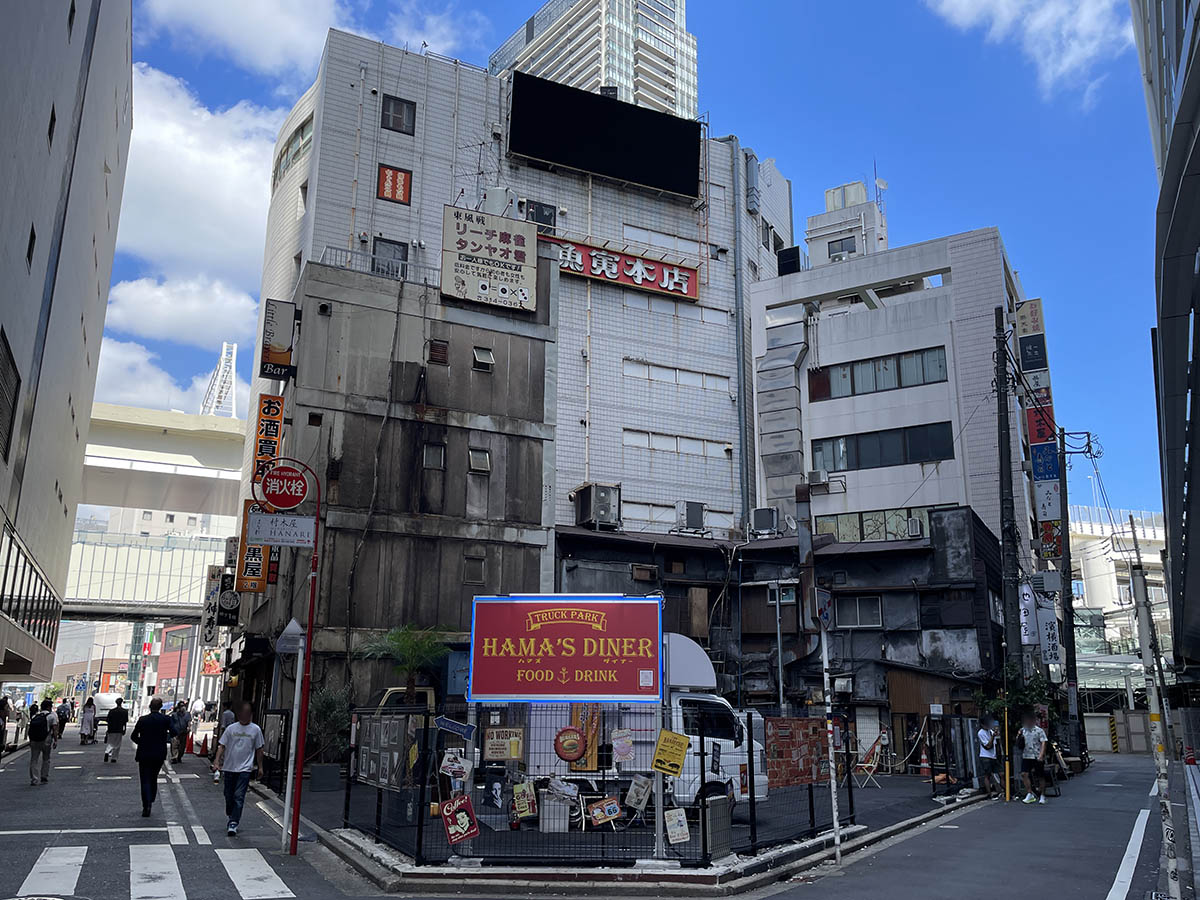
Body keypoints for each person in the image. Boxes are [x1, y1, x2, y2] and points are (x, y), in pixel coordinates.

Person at [211, 702, 264, 836]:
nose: (243, 716)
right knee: (228, 795)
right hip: (229, 768)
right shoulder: (231, 729)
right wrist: (217, 761)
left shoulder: (255, 730)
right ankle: (231, 812)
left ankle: (233, 822)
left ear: (250, 714)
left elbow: (259, 749)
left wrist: (260, 767)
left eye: (246, 713)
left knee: (239, 796)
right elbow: (221, 746)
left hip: (245, 769)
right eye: (242, 713)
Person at [131, 697, 177, 817]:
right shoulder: (165, 719)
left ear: (150, 707)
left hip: (144, 753)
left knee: (144, 779)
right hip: (159, 753)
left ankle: (146, 804)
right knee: (153, 777)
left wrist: (141, 742)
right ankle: (151, 798)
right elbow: (174, 732)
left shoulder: (143, 720)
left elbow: (133, 736)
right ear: (161, 707)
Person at [1018, 710, 1048, 805]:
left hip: (1036, 755)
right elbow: (1018, 743)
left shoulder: (1039, 731)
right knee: (1024, 774)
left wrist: (1041, 755)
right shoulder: (1022, 730)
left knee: (1040, 776)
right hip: (1026, 755)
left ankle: (1042, 795)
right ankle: (1030, 793)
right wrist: (1019, 736)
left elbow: (1044, 743)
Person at [27, 699, 58, 786]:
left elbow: (30, 730)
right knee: (46, 758)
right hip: (46, 740)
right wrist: (55, 740)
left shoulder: (35, 716)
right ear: (49, 707)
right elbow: (55, 729)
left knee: (34, 759)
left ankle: (34, 779)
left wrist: (30, 740)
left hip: (34, 740)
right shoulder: (52, 716)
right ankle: (44, 777)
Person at [976, 714, 1001, 800]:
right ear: (983, 724)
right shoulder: (981, 733)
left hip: (993, 756)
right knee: (987, 775)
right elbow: (988, 746)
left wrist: (996, 735)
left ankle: (1003, 791)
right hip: (985, 756)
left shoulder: (990, 731)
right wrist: (993, 736)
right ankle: (990, 794)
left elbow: (996, 743)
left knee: (1001, 773)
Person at [104, 697, 129, 762]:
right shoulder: (124, 711)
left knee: (110, 742)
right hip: (119, 729)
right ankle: (114, 758)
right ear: (121, 703)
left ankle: (107, 751)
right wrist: (124, 729)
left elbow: (108, 720)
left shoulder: (111, 711)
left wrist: (107, 729)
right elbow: (125, 722)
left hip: (111, 728)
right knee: (117, 744)